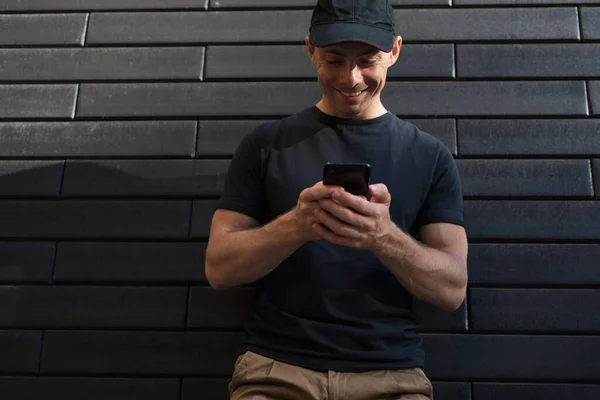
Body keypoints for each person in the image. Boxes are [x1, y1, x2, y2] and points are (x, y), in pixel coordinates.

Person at [205, 0, 468, 398]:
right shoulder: (265, 146)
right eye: (334, 60)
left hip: (390, 377)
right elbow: (219, 269)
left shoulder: (430, 157)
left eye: (368, 60)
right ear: (311, 50)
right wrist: (296, 226)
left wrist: (382, 236)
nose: (352, 77)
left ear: (394, 51)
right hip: (276, 372)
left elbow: (451, 291)